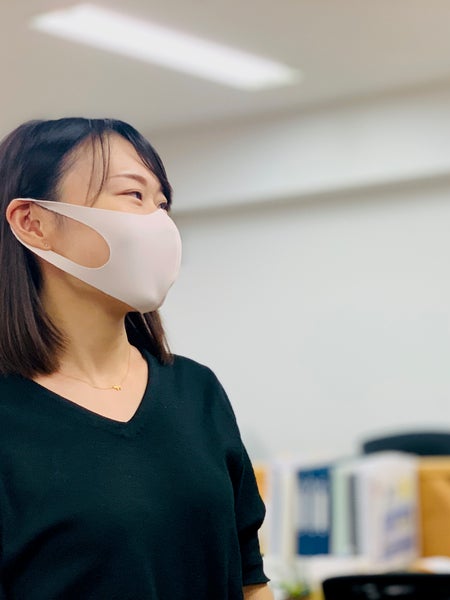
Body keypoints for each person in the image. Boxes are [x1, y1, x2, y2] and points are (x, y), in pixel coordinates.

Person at [0, 118, 273, 599]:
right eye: (133, 195)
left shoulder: (195, 390)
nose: (159, 222)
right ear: (33, 223)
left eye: (162, 203)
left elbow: (249, 580)